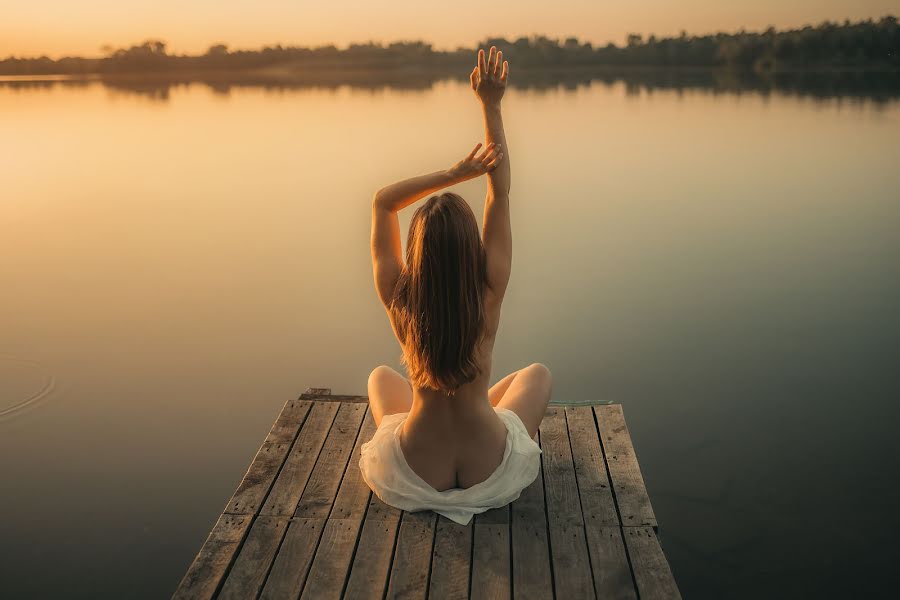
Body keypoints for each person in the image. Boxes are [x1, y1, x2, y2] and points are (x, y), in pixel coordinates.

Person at [360, 46, 552, 526]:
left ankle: (457, 415)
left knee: (382, 377)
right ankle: (473, 409)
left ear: (417, 254)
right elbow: (500, 192)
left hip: (414, 469)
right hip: (491, 469)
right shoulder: (488, 289)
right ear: (472, 248)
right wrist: (490, 105)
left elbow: (383, 203)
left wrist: (451, 174)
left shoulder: (400, 298)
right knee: (536, 376)